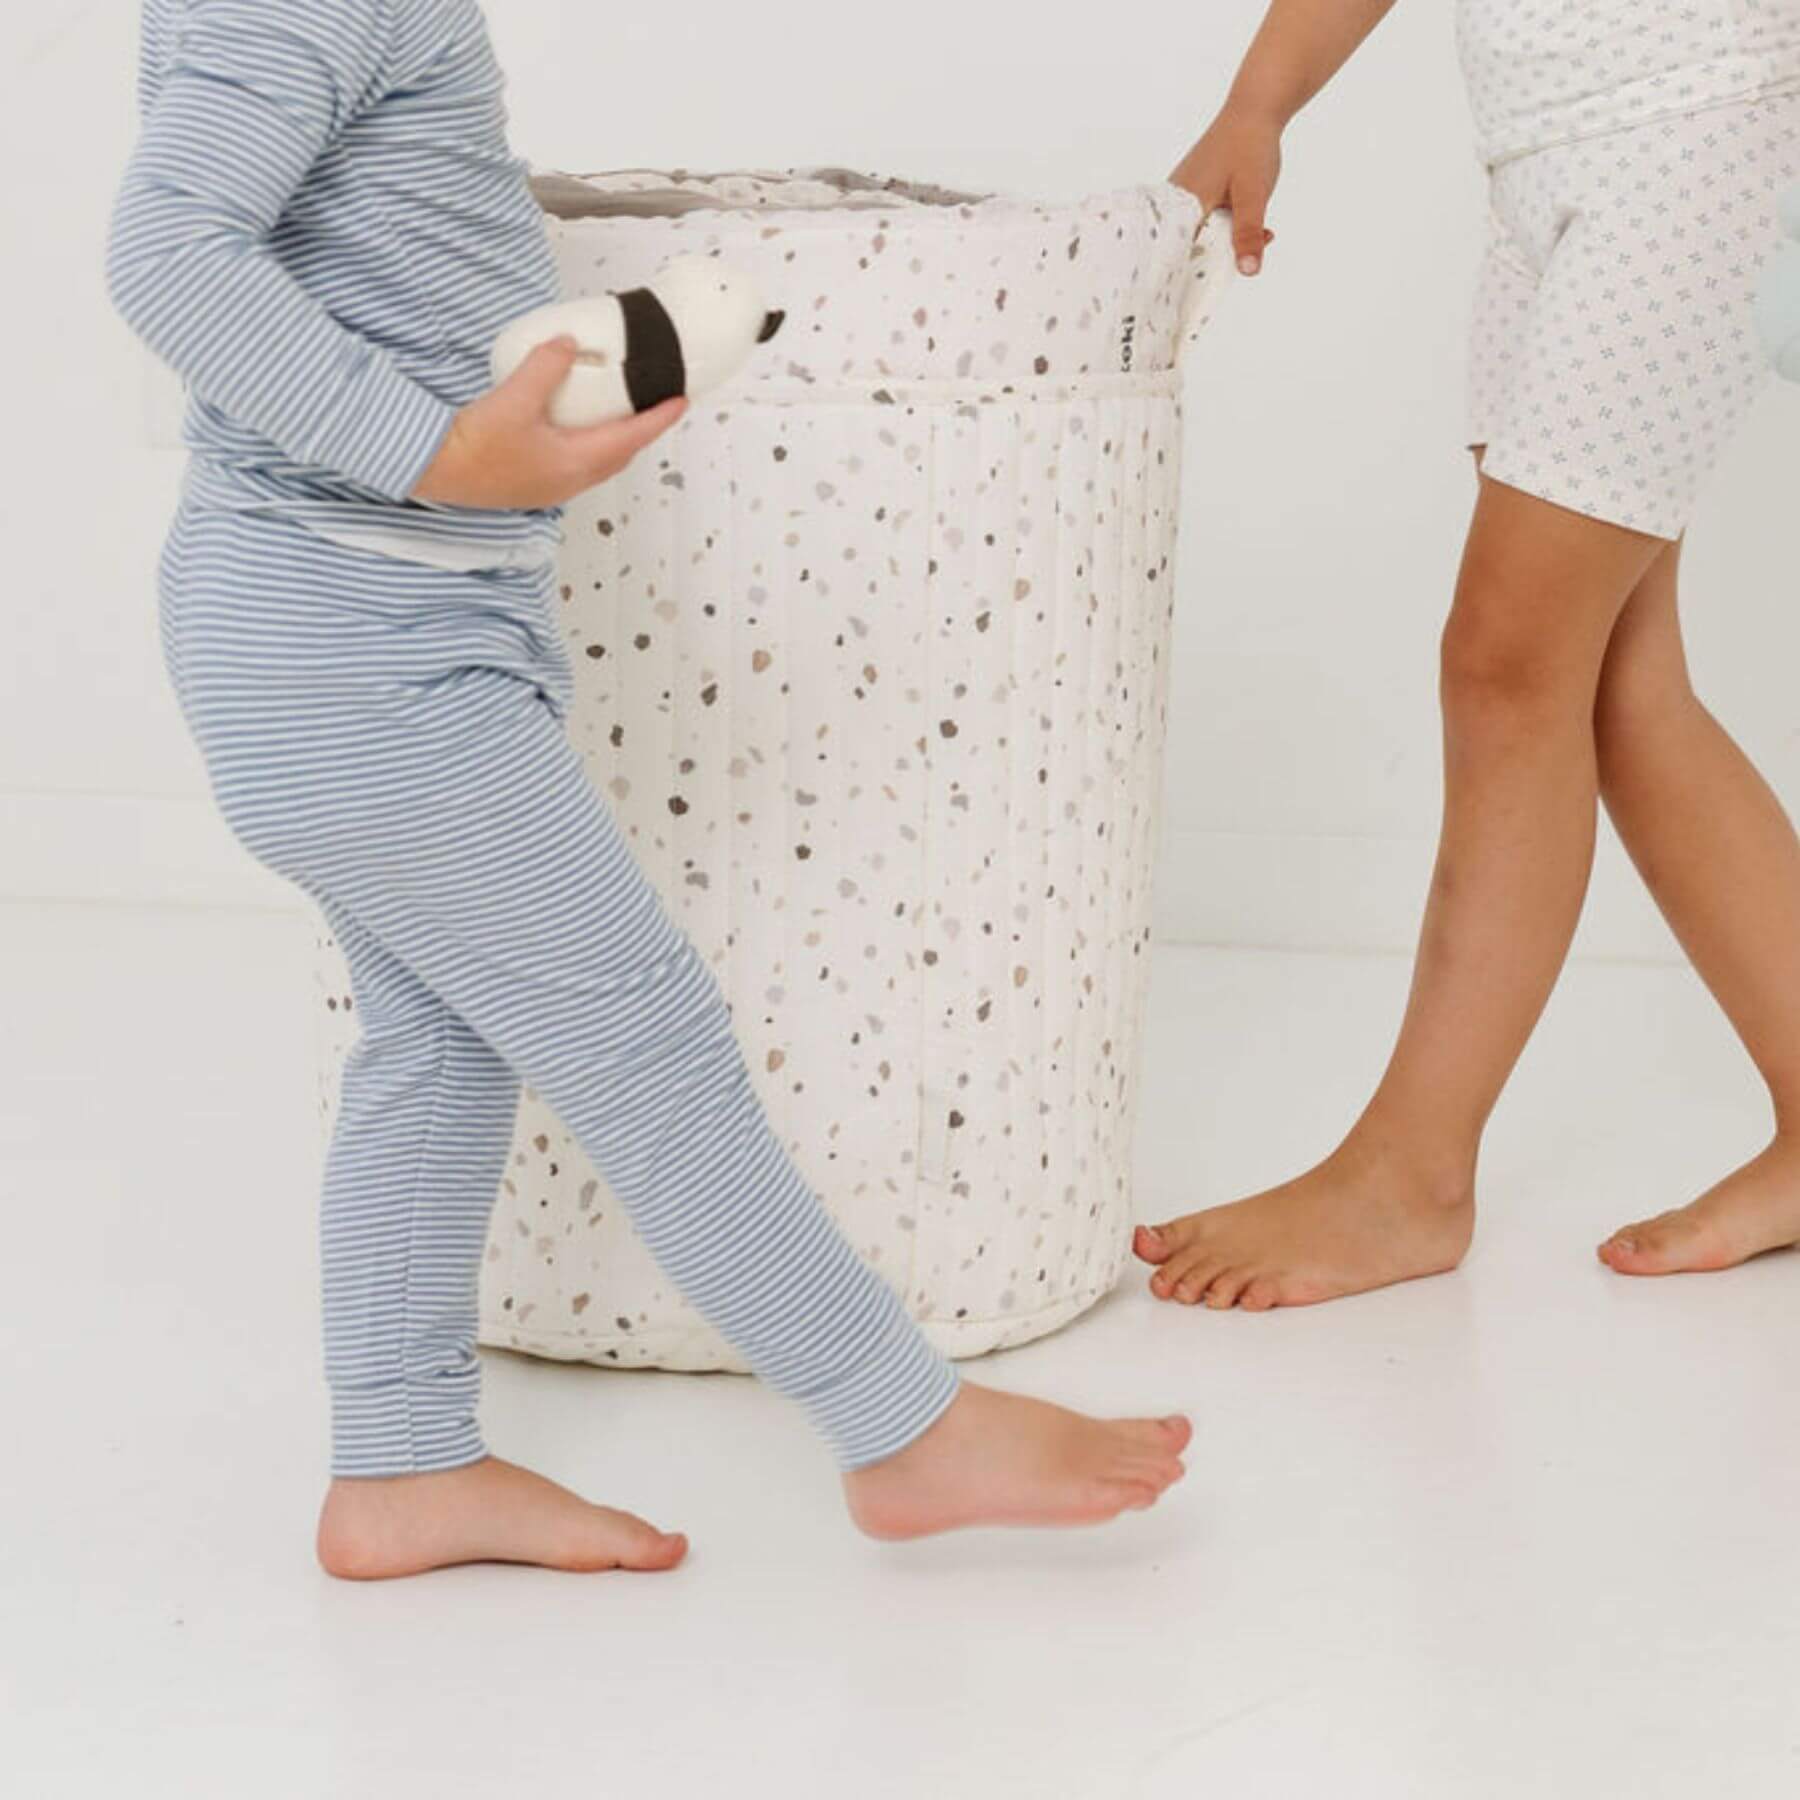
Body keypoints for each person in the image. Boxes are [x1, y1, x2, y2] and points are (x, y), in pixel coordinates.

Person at [108, 0, 1189, 1580]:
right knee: (642, 1041)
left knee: (439, 1042)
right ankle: (900, 1427)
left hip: (342, 622)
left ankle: (400, 1469)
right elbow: (165, 249)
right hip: (356, 626)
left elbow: (339, 222)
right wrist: (433, 452)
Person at [1139, 0, 1800, 1308]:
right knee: (1618, 687)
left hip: (1702, 138)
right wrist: (1261, 98)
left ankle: (1412, 1173)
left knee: (1509, 662)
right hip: (1542, 164)